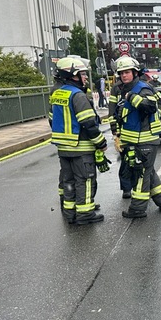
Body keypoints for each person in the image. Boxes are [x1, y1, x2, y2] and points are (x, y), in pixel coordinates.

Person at [48, 56, 108, 225]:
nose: (85, 77)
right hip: (80, 147)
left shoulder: (57, 94)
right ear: (72, 75)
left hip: (63, 148)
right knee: (85, 180)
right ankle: (85, 214)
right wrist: (101, 142)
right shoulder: (78, 95)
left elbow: (52, 120)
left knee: (68, 181)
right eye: (82, 74)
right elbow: (88, 123)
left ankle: (70, 213)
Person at [113, 56, 161, 218]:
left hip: (145, 141)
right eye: (121, 73)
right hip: (134, 141)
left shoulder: (142, 88)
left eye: (127, 72)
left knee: (141, 174)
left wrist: (131, 97)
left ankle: (137, 209)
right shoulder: (125, 89)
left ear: (135, 72)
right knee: (148, 172)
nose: (124, 75)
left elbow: (151, 106)